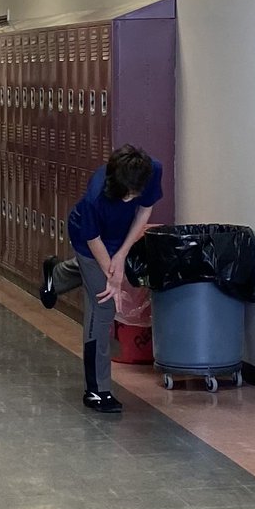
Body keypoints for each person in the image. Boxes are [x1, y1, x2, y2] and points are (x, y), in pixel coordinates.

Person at [47, 144, 162, 414]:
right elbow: (92, 239)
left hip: (119, 236)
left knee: (97, 278)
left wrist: (121, 255)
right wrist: (112, 278)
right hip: (88, 241)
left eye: (134, 193)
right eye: (126, 193)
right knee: (103, 306)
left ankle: (55, 274)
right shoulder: (95, 194)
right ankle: (96, 390)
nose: (129, 199)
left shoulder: (152, 170)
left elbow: (144, 211)